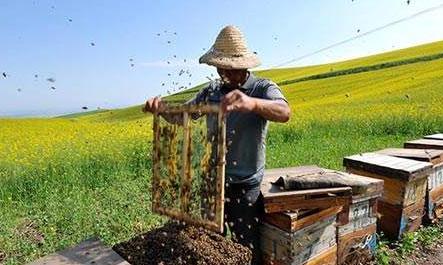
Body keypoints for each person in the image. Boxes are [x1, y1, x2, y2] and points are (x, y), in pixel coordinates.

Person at [143, 25, 290, 264]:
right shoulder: (211, 90)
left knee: (246, 248)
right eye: (221, 68)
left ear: (244, 65)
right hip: (212, 183)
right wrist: (162, 110)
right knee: (209, 245)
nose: (225, 74)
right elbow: (185, 117)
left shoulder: (263, 88)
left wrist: (251, 103)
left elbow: (284, 112)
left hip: (245, 186)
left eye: (230, 69)